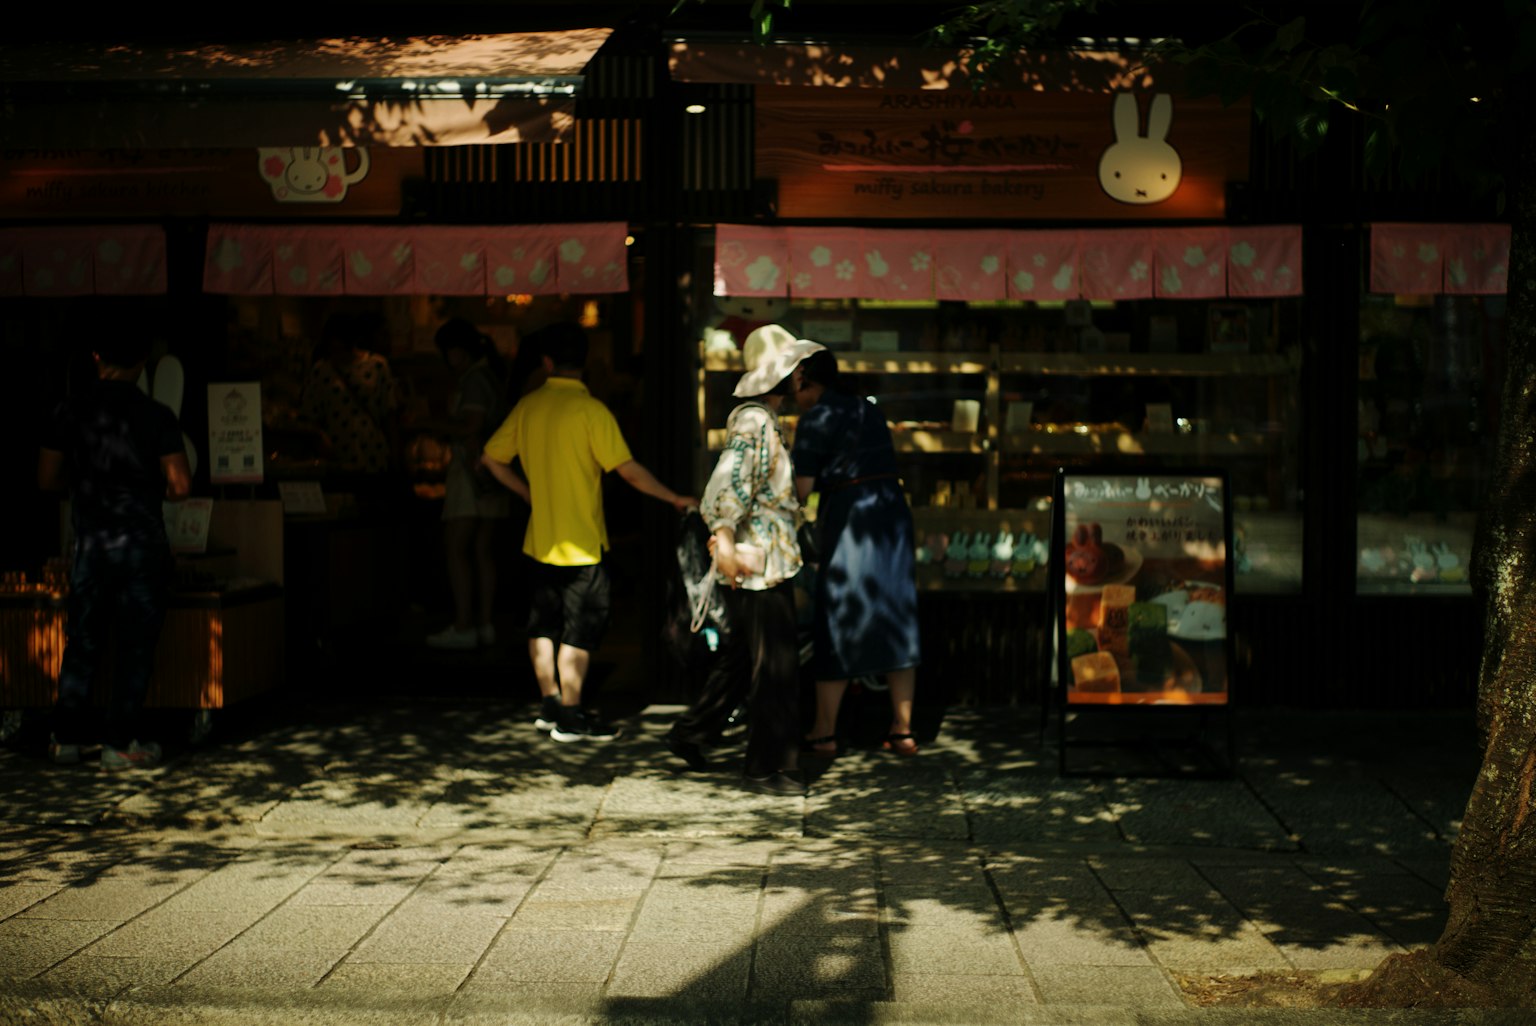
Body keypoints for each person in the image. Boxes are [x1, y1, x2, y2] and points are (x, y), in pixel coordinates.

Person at [480, 322, 695, 742]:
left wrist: (528, 493)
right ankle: (572, 714)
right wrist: (674, 499)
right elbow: (629, 473)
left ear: (546, 363)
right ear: (586, 365)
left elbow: (490, 459)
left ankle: (550, 704)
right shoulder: (592, 411)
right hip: (582, 544)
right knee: (580, 630)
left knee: (543, 625)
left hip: (539, 539)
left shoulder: (529, 406)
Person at [665, 325, 823, 796]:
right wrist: (727, 539)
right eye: (794, 368)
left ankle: (747, 753)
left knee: (761, 662)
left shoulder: (761, 420)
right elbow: (726, 487)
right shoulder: (755, 421)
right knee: (773, 668)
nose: (800, 377)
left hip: (766, 561)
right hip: (760, 565)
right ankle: (765, 767)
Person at [37, 327, 192, 769]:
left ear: (96, 356)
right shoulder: (156, 415)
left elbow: (46, 479)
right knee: (134, 644)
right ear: (142, 362)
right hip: (142, 545)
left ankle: (64, 739)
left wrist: (86, 488)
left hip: (91, 544)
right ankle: (118, 742)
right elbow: (180, 485)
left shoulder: (69, 411)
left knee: (82, 638)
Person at [791, 347, 922, 756]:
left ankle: (824, 732)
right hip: (891, 515)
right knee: (896, 612)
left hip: (852, 520)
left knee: (839, 614)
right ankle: (902, 730)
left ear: (805, 381)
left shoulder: (816, 418)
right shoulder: (869, 410)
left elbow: (802, 491)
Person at [425, 318, 513, 650]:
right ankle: (484, 623)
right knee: (481, 549)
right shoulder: (490, 375)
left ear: (455, 352)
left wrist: (427, 422)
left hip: (470, 471)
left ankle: (464, 623)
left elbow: (470, 426)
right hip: (493, 472)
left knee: (457, 547)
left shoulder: (474, 380)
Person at [301, 312, 398, 477]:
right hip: (335, 453)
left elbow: (389, 413)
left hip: (372, 450)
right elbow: (310, 416)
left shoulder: (377, 365)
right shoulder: (321, 370)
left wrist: (396, 453)